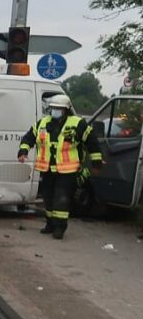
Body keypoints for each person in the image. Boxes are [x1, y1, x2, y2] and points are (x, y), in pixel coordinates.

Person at [18, 94, 103, 240]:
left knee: (61, 199)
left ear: (66, 110)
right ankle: (50, 224)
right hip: (47, 169)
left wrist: (96, 162)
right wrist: (23, 151)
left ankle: (60, 228)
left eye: (59, 109)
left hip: (67, 170)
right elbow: (28, 137)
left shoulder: (78, 124)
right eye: (53, 109)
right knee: (48, 198)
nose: (55, 111)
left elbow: (92, 142)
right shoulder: (42, 123)